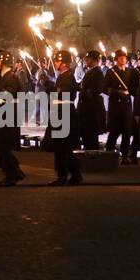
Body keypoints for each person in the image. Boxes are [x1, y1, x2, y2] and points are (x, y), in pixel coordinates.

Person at [45, 50, 82, 185]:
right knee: (63, 147)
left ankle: (63, 176)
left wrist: (51, 89)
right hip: (61, 112)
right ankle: (75, 175)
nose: (55, 63)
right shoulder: (62, 76)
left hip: (64, 113)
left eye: (57, 61)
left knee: (62, 147)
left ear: (64, 63)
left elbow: (64, 95)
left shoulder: (68, 77)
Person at [0, 49, 25, 186]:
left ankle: (12, 174)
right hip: (1, 114)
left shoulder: (12, 77)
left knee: (2, 146)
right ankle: (14, 172)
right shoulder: (2, 76)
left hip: (8, 115)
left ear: (3, 61)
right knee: (0, 146)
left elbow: (7, 95)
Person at [103, 49, 137, 164]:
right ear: (116, 59)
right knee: (114, 131)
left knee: (127, 131)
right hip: (115, 105)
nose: (123, 59)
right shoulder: (111, 72)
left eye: (124, 57)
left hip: (126, 105)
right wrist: (117, 92)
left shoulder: (130, 72)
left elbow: (132, 87)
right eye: (121, 57)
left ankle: (125, 156)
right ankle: (108, 153)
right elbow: (105, 88)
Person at [77, 49, 105, 149]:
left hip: (91, 111)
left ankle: (92, 161)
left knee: (91, 140)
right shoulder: (90, 72)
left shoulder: (97, 73)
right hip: (86, 111)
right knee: (86, 138)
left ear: (94, 60)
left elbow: (95, 90)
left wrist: (83, 90)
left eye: (88, 59)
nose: (86, 61)